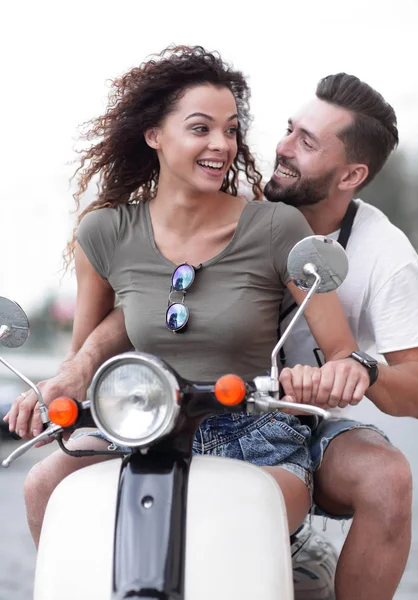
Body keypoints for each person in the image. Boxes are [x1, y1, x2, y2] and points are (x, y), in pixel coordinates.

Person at [4, 47, 370, 548]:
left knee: (235, 529)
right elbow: (85, 359)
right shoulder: (104, 232)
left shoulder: (277, 226)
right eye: (201, 128)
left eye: (231, 129)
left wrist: (328, 375)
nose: (222, 143)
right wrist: (52, 390)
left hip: (252, 432)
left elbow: (341, 351)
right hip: (137, 424)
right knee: (44, 484)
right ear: (154, 135)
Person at [264, 73, 418, 600]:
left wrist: (363, 367)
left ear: (352, 174)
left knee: (388, 479)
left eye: (306, 143)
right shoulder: (235, 200)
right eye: (290, 130)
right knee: (54, 474)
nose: (283, 149)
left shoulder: (386, 252)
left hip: (305, 427)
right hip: (204, 408)